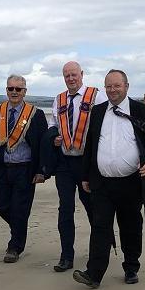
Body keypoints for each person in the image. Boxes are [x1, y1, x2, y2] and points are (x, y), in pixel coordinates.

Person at [72, 69, 145, 289]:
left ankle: (131, 267)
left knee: (130, 226)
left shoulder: (143, 111)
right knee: (100, 227)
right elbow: (90, 145)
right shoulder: (97, 112)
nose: (112, 90)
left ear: (126, 86)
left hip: (131, 182)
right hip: (102, 182)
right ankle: (94, 274)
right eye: (108, 86)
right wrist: (86, 174)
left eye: (117, 86)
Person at [0, 75, 48, 263]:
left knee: (19, 210)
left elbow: (42, 145)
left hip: (25, 170)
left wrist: (42, 170)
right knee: (0, 205)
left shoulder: (36, 114)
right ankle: (19, 228)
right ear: (6, 90)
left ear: (25, 91)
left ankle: (14, 247)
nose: (14, 92)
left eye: (18, 89)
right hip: (0, 168)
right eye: (11, 89)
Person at [46, 61, 100, 272]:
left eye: (74, 74)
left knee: (92, 209)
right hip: (64, 163)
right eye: (67, 75)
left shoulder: (97, 96)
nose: (70, 78)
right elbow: (52, 125)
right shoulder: (58, 99)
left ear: (82, 74)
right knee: (65, 209)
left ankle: (97, 254)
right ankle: (66, 256)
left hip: (87, 163)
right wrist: (54, 138)